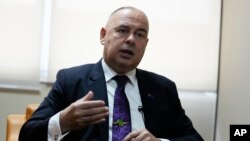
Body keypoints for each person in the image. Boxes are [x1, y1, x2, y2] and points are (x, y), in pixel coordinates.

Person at [19, 6, 203, 141]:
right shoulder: (71, 80)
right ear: (103, 35)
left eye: (139, 34)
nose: (131, 39)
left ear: (145, 44)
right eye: (123, 31)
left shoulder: (162, 88)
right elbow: (27, 135)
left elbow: (193, 139)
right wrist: (63, 121)